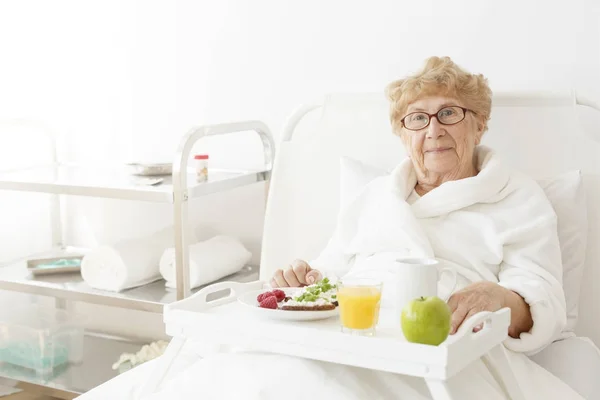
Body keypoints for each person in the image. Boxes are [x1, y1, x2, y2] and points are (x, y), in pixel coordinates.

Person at [79, 57, 584, 400]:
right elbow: (329, 272)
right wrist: (303, 277)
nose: (432, 129)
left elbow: (542, 297)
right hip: (345, 334)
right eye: (416, 118)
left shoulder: (516, 197)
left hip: (437, 349)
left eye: (448, 113)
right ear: (401, 134)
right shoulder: (375, 199)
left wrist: (501, 299)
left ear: (479, 123)